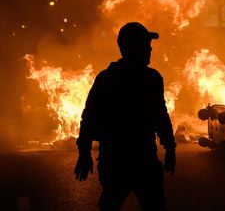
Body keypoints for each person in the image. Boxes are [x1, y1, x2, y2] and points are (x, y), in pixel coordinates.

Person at [74, 22, 176, 210]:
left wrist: (84, 153)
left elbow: (88, 118)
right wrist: (170, 147)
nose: (149, 49)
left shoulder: (109, 78)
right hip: (135, 160)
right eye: (145, 44)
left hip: (119, 161)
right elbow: (160, 116)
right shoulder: (149, 79)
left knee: (112, 204)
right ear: (130, 48)